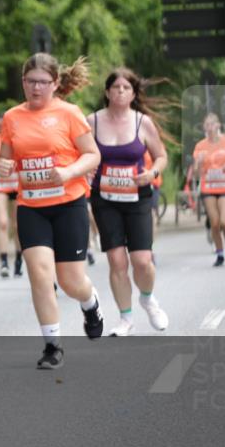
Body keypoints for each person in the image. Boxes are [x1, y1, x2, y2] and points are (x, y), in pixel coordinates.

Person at [0, 53, 103, 369]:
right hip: (32, 207)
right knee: (40, 274)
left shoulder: (69, 113)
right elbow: (6, 162)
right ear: (23, 83)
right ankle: (52, 345)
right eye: (30, 81)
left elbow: (92, 154)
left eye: (43, 82)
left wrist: (69, 172)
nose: (36, 88)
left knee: (71, 281)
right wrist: (4, 168)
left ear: (56, 84)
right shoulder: (12, 118)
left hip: (68, 204)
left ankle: (90, 303)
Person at [86, 68, 170, 337]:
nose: (121, 91)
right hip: (105, 198)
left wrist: (153, 173)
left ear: (134, 94)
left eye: (126, 88)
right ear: (107, 92)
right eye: (116, 87)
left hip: (137, 197)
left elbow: (161, 156)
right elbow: (81, 154)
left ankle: (147, 298)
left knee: (142, 261)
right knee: (116, 260)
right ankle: (125, 319)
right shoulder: (92, 122)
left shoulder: (142, 122)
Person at [193, 113, 225, 266]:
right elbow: (194, 173)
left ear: (218, 125)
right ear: (204, 128)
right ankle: (220, 254)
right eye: (207, 125)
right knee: (214, 223)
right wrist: (198, 164)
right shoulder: (200, 146)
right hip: (208, 187)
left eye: (213, 124)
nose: (210, 127)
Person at [0, 115, 22, 278]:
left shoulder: (18, 138)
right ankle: (4, 262)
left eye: (4, 125)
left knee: (16, 225)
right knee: (3, 222)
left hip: (15, 184)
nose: (1, 128)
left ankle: (19, 259)